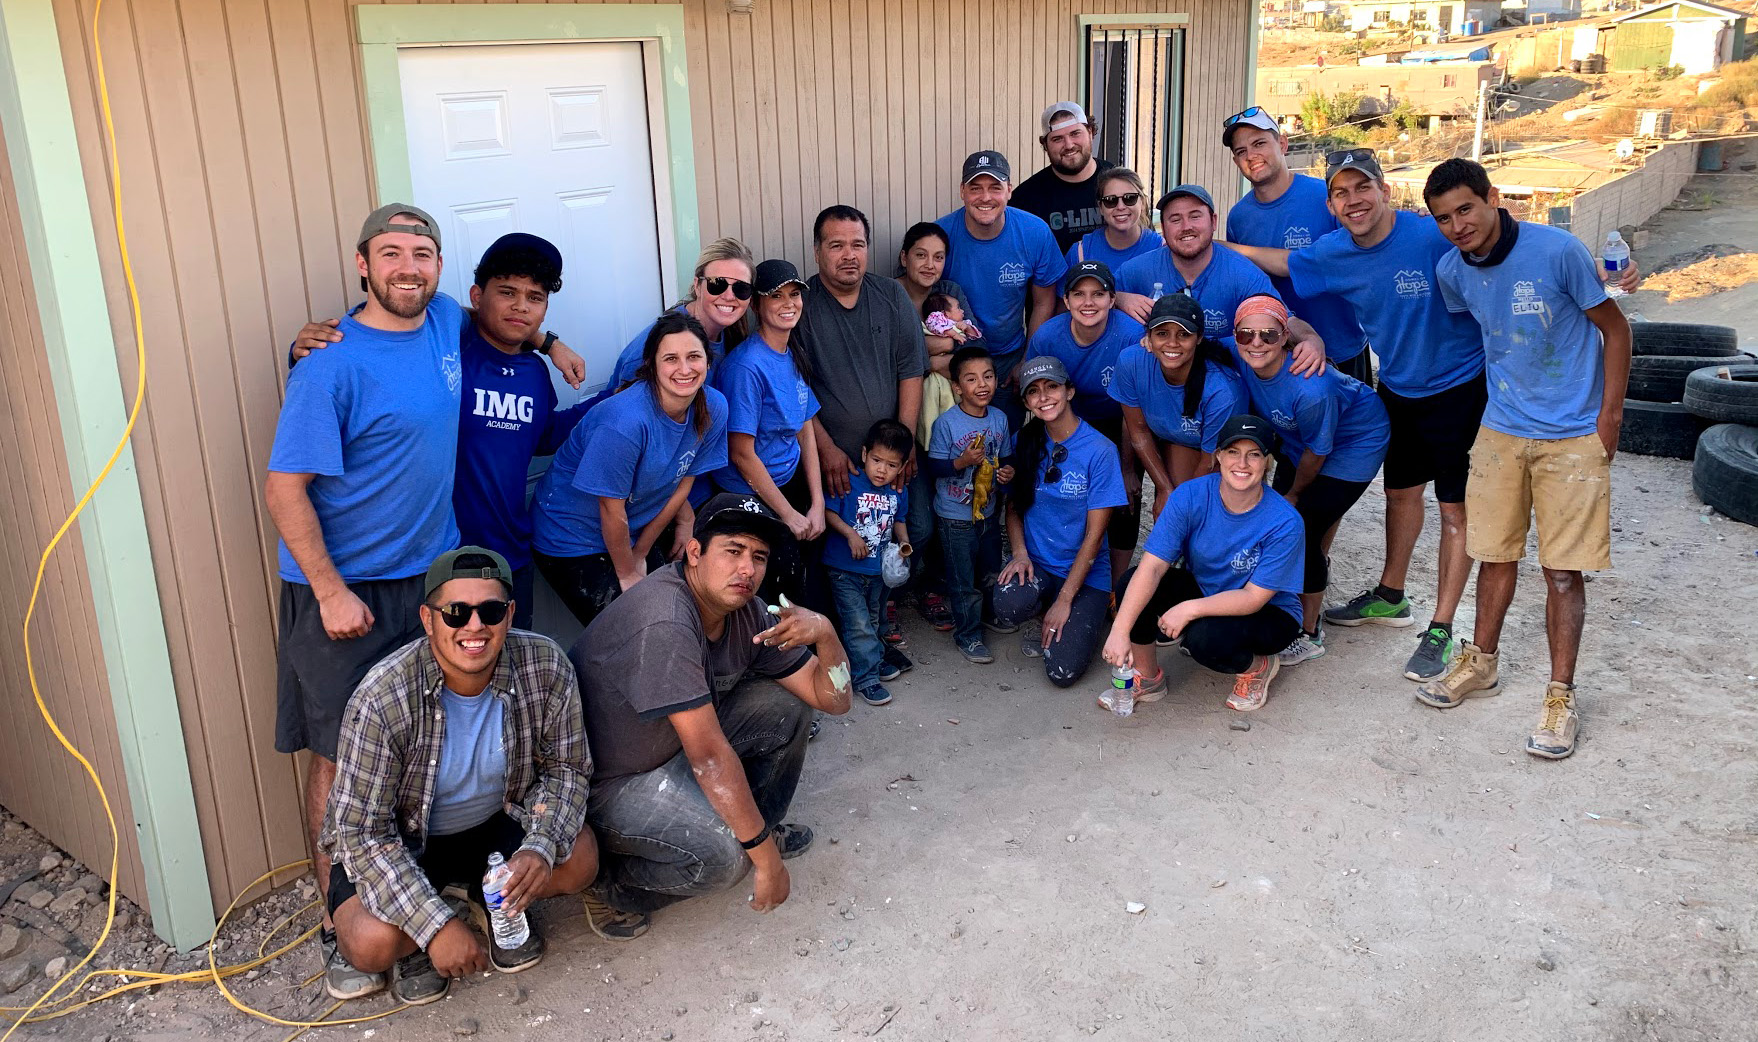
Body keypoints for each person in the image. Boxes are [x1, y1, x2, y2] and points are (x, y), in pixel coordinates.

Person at [265, 204, 467, 998]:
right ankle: (338, 922)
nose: (409, 267)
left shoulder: (445, 320)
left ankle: (407, 913)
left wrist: (554, 343)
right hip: (345, 594)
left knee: (416, 751)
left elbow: (506, 316)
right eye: (392, 253)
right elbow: (286, 490)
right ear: (362, 265)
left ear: (440, 268)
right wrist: (330, 590)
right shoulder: (329, 366)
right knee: (343, 758)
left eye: (422, 253)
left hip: (428, 580)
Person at [1224, 148, 1490, 683]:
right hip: (1398, 388)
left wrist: (1596, 275)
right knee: (1400, 494)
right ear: (1331, 204)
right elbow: (1283, 263)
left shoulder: (1432, 235)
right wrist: (1216, 243)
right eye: (1341, 193)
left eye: (1362, 188)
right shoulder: (1333, 252)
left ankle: (1440, 627)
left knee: (1455, 511)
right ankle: (1392, 595)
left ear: (1384, 189)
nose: (1354, 201)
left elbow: (1496, 246)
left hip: (1462, 388)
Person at [1414, 158, 1632, 760]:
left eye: (1465, 209)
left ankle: (1560, 697)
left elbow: (1616, 330)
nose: (1458, 226)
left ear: (1493, 198)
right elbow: (1488, 334)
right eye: (1443, 218)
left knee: (1563, 571)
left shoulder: (1559, 250)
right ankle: (1480, 664)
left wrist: (1608, 418)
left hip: (1572, 436)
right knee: (1493, 556)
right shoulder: (1452, 272)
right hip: (1501, 431)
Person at [570, 494, 852, 935]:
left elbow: (833, 700)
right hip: (611, 785)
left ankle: (757, 825)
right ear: (695, 552)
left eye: (759, 557)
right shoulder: (665, 618)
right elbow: (709, 758)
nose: (748, 570)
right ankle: (610, 887)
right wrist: (764, 859)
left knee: (786, 707)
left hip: (670, 750)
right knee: (725, 860)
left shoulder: (746, 610)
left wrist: (827, 634)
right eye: (733, 551)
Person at [323, 547, 595, 1004]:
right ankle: (432, 921)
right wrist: (434, 927)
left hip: (492, 827)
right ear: (428, 620)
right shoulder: (382, 696)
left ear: (508, 615)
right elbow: (360, 834)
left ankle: (482, 897)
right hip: (404, 842)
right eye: (455, 612)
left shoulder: (545, 664)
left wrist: (539, 847)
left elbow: (567, 769)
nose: (474, 626)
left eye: (489, 610)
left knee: (580, 859)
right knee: (371, 946)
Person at [287, 233, 589, 630]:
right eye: (507, 292)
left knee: (511, 677)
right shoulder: (445, 350)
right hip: (443, 559)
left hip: (510, 556)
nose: (520, 306)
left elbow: (543, 437)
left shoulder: (534, 371)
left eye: (535, 297)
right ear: (477, 297)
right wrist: (301, 352)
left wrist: (609, 402)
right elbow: (378, 352)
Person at [531, 311, 729, 629]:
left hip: (635, 528)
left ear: (708, 360)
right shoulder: (625, 422)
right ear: (651, 364)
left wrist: (643, 552)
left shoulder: (714, 407)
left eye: (694, 356)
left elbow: (681, 484)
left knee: (681, 617)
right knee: (633, 629)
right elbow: (612, 511)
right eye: (671, 359)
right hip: (571, 535)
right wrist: (627, 573)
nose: (684, 369)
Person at [1101, 415, 1305, 713]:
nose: (1242, 463)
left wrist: (1189, 609)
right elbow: (1153, 566)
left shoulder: (1284, 521)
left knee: (1204, 640)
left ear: (1267, 462)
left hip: (1270, 611)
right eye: (1233, 452)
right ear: (1218, 455)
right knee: (1131, 581)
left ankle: (1258, 666)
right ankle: (1148, 676)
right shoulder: (1191, 495)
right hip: (1208, 588)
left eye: (1254, 454)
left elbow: (1252, 597)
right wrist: (1120, 629)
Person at [800, 204, 927, 669]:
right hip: (832, 463)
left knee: (912, 532)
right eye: (836, 245)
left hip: (887, 458)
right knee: (832, 554)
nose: (849, 255)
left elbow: (911, 370)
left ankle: (876, 630)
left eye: (857, 245)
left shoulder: (890, 297)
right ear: (818, 253)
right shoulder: (805, 307)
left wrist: (905, 444)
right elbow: (794, 387)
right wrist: (826, 448)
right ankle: (841, 645)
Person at [1231, 295, 1389, 666]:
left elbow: (1317, 453)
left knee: (1302, 528)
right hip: (1300, 436)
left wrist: (1295, 494)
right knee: (1285, 522)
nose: (1256, 343)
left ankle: (1309, 629)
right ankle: (1289, 591)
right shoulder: (1241, 349)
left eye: (1268, 336)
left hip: (1355, 440)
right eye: (1246, 335)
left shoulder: (1310, 388)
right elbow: (1196, 345)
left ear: (1285, 337)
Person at [991, 356, 1127, 687]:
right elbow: (1014, 507)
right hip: (1038, 564)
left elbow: (1095, 537)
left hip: (1085, 576)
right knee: (1007, 605)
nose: (1044, 397)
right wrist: (1020, 553)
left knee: (1062, 672)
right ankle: (1044, 609)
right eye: (1034, 391)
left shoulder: (1100, 449)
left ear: (1069, 391)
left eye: (1052, 387)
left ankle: (1080, 613)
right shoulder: (1026, 440)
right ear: (1026, 402)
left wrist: (1066, 599)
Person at [1221, 107, 1373, 383]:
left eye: (1259, 144)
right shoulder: (1239, 217)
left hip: (1341, 348)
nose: (1251, 156)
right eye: (1241, 151)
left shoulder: (1325, 198)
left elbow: (1345, 264)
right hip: (1277, 353)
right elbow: (1245, 284)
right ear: (1235, 161)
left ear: (1282, 143)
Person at [713, 259, 826, 606]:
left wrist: (817, 501)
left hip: (789, 482)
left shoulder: (791, 353)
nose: (788, 303)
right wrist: (787, 515)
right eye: (776, 296)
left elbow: (805, 429)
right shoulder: (746, 366)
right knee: (776, 592)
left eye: (794, 294)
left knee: (809, 581)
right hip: (753, 495)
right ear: (758, 305)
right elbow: (741, 454)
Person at [1026, 260, 1147, 580]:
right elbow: (1037, 396)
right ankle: (1054, 566)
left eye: (1098, 294)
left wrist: (1127, 467)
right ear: (1066, 301)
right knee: (1065, 491)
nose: (1088, 303)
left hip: (1120, 418)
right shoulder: (1048, 336)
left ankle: (1115, 587)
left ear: (1112, 298)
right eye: (1078, 294)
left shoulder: (1132, 336)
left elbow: (1134, 410)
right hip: (1066, 420)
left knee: (1125, 497)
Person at [935, 151, 1067, 415]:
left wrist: (1028, 358)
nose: (985, 197)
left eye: (995, 187)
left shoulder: (1034, 232)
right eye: (975, 188)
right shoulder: (941, 236)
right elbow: (919, 298)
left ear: (1009, 190)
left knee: (1007, 442)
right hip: (957, 358)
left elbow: (1044, 301)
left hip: (1010, 358)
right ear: (962, 191)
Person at [1109, 293, 1246, 513]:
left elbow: (1211, 460)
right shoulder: (1131, 362)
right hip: (1172, 434)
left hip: (1220, 452)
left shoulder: (1221, 391)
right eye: (1162, 334)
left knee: (1191, 513)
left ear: (1199, 338)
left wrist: (1178, 505)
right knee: (1168, 507)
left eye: (1184, 334)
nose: (1172, 343)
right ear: (1149, 337)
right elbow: (1137, 429)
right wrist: (1163, 489)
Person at [928, 345, 1015, 664]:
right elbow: (934, 468)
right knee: (963, 579)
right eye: (971, 379)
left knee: (990, 570)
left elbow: (1006, 457)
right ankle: (968, 634)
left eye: (988, 376)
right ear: (956, 387)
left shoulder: (1000, 419)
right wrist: (961, 461)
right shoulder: (947, 424)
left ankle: (990, 615)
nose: (982, 385)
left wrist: (1008, 471)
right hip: (954, 517)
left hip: (989, 513)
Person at [823, 420, 915, 706]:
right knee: (859, 624)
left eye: (891, 465)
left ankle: (871, 662)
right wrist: (851, 535)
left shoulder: (898, 492)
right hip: (845, 570)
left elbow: (899, 521)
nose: (881, 469)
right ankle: (866, 678)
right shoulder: (848, 482)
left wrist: (904, 544)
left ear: (901, 468)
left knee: (874, 620)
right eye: (876, 460)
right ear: (864, 454)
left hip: (876, 571)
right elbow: (829, 513)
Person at [1113, 185, 1275, 339]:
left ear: (1213, 221)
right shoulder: (1138, 269)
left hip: (1224, 365)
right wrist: (1118, 298)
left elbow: (1281, 320)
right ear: (1163, 227)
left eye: (1195, 216)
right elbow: (1093, 300)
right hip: (1156, 365)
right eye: (1175, 220)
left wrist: (1301, 335)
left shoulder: (1243, 274)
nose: (1186, 226)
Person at [606, 237, 755, 387]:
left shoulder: (734, 337)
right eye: (717, 284)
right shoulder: (657, 344)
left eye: (741, 288)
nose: (729, 296)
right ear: (697, 286)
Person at [1009, 101, 1116, 253]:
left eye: (1075, 133)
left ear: (1090, 132)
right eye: (1057, 139)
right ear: (1045, 145)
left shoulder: (1121, 184)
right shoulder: (1025, 199)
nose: (1068, 145)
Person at [1061, 166, 1164, 280]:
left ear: (1143, 203)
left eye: (1129, 198)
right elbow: (1064, 296)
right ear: (1101, 207)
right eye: (1110, 200)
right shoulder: (1081, 252)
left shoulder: (1161, 249)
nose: (1120, 207)